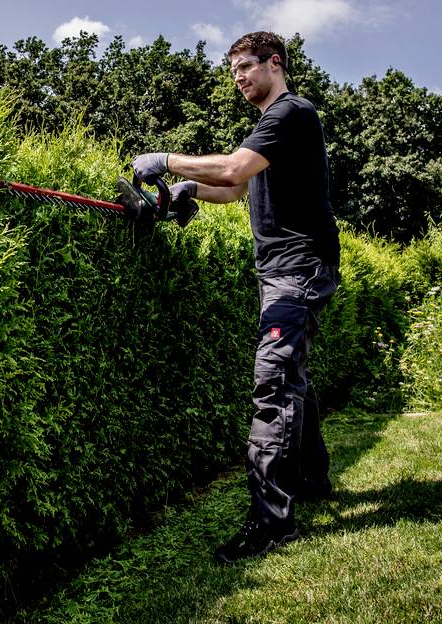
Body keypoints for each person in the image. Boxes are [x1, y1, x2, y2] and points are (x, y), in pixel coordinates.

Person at [132, 31, 340, 564]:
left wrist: (168, 160)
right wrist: (188, 192)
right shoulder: (270, 125)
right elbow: (233, 188)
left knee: (273, 382)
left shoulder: (292, 112)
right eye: (234, 72)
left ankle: (271, 525)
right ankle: (314, 481)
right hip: (280, 269)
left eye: (247, 67)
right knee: (294, 374)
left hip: (299, 267)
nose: (240, 78)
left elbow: (231, 167)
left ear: (276, 62)